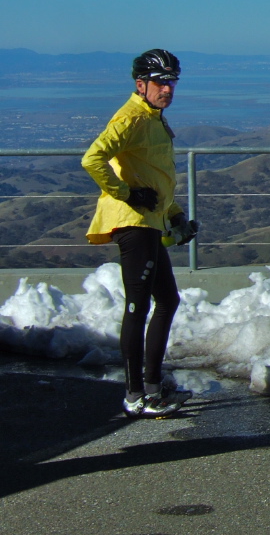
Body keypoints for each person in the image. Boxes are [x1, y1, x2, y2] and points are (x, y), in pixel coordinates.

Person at [82, 49, 199, 418]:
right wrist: (126, 194)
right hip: (132, 223)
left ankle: (152, 385)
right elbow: (92, 158)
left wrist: (176, 215)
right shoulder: (131, 117)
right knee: (138, 307)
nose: (168, 89)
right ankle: (136, 395)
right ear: (140, 84)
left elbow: (154, 176)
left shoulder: (153, 118)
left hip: (149, 221)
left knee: (168, 300)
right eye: (161, 82)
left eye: (172, 82)